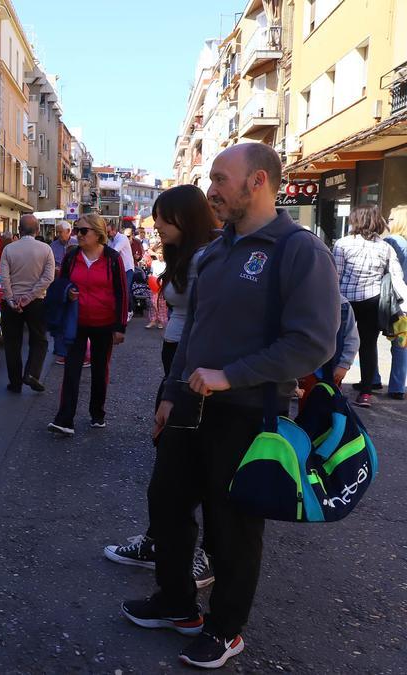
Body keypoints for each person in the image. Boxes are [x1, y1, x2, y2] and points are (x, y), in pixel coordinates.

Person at [127, 143, 340, 669]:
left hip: (249, 413)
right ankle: (177, 603)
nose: (212, 190)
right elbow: (194, 332)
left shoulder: (299, 250)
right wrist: (172, 393)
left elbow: (314, 342)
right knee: (167, 505)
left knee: (233, 529)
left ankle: (226, 630)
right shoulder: (216, 251)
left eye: (221, 179)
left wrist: (232, 376)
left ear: (258, 182)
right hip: (190, 408)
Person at [104, 184, 219, 587]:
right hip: (178, 363)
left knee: (189, 465)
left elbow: (207, 324)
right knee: (169, 462)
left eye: (163, 217)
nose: (157, 224)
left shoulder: (207, 258)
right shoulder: (184, 255)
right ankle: (161, 540)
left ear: (186, 218)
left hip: (197, 371)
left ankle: (201, 553)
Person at [47, 214, 128, 436]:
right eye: (76, 230)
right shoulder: (72, 257)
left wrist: (120, 326)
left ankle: (97, 413)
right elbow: (61, 284)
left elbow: (122, 292)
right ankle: (64, 420)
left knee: (100, 371)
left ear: (97, 233)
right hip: (77, 323)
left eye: (83, 231)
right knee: (71, 370)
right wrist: (67, 292)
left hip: (104, 323)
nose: (77, 235)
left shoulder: (112, 258)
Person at [332, 204, 407, 407]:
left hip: (344, 300)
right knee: (368, 345)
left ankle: (333, 385)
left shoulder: (342, 244)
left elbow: (335, 275)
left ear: (355, 220)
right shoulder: (385, 247)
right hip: (373, 301)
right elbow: (397, 277)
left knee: (338, 342)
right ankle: (365, 393)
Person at [0, 214, 54, 393]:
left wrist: (11, 298)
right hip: (36, 302)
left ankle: (15, 383)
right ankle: (32, 373)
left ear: (19, 230)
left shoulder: (8, 250)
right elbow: (48, 278)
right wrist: (29, 297)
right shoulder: (46, 250)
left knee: (12, 343)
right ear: (37, 230)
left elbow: (4, 278)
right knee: (39, 340)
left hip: (12, 303)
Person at [386, 206, 407, 400]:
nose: (387, 222)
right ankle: (398, 384)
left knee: (397, 343)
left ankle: (393, 385)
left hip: (394, 299)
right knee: (402, 342)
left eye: (391, 219)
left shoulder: (393, 242)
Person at [107, 219, 138, 297]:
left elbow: (114, 252)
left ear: (114, 230)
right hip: (119, 269)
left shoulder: (122, 238)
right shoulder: (111, 240)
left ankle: (129, 309)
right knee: (120, 292)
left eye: (108, 232)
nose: (107, 234)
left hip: (127, 269)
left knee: (125, 292)